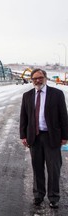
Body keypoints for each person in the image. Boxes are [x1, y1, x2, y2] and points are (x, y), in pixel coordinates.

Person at [20, 68, 68, 208]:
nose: (37, 81)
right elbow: (24, 117)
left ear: (45, 78)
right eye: (34, 79)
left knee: (54, 169)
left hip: (51, 137)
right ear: (32, 80)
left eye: (40, 78)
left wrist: (65, 136)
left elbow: (64, 117)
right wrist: (23, 135)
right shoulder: (27, 95)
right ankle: (38, 195)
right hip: (34, 137)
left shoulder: (57, 94)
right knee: (37, 168)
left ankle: (53, 197)